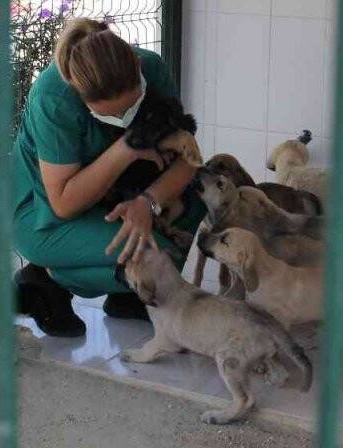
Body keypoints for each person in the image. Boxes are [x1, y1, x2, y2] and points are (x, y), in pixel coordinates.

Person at [12, 17, 206, 337]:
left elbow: (189, 158)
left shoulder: (152, 68)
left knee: (203, 197)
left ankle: (126, 297)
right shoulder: (53, 97)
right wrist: (129, 146)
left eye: (130, 108)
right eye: (110, 115)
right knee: (154, 259)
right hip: (44, 214)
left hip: (120, 196)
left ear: (136, 64)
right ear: (77, 89)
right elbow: (63, 203)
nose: (121, 119)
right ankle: (45, 279)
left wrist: (148, 202)